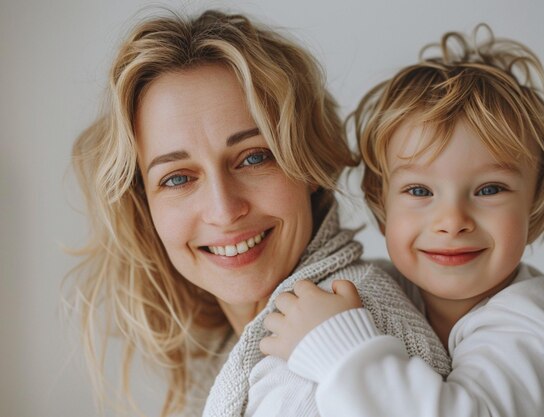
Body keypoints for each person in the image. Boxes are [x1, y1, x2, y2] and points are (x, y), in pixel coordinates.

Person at [69, 9, 451, 417]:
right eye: (178, 178)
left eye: (254, 157)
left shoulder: (337, 344)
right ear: (144, 205)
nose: (224, 210)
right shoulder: (243, 351)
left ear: (310, 165)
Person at [260, 25, 544, 416]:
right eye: (420, 191)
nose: (453, 221)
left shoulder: (528, 328)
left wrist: (335, 348)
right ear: (380, 204)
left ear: (535, 204)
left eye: (489, 190)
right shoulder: (387, 292)